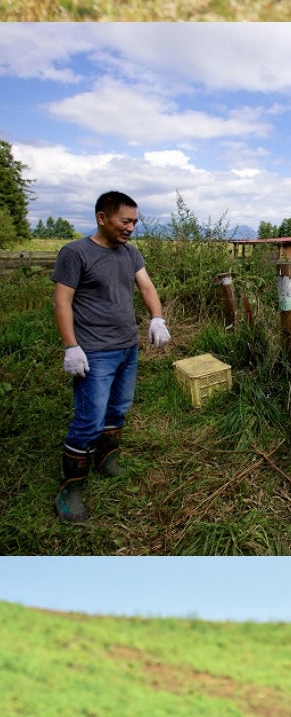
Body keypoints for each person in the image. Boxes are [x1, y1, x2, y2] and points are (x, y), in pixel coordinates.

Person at [50, 190, 170, 524]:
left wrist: (156, 318)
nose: (131, 227)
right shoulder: (75, 253)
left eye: (135, 221)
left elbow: (146, 287)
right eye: (125, 221)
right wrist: (70, 346)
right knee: (89, 418)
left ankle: (107, 457)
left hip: (127, 347)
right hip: (94, 353)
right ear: (102, 218)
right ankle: (71, 488)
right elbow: (62, 302)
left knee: (119, 407)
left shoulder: (130, 253)